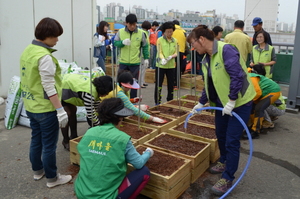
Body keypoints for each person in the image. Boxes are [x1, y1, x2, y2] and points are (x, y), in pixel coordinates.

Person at [188, 25, 256, 196]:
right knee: (221, 134)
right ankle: (224, 160)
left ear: (202, 40)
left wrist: (232, 100)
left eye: (193, 43)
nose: (192, 47)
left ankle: (228, 177)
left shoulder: (226, 51)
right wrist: (201, 102)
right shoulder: (206, 58)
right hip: (221, 103)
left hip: (239, 103)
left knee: (232, 140)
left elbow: (237, 76)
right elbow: (210, 83)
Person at [20, 17, 72, 188]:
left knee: (36, 140)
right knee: (49, 145)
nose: (57, 40)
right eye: (56, 36)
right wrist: (60, 110)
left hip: (31, 105)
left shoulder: (28, 50)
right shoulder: (44, 57)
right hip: (45, 108)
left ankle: (38, 171)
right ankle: (52, 178)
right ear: (48, 35)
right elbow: (48, 87)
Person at [75, 97, 154, 198]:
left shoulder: (90, 132)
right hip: (105, 196)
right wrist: (148, 153)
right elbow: (138, 163)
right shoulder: (122, 139)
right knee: (144, 172)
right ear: (120, 117)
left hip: (81, 192)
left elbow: (82, 151)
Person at [60, 74, 114, 150]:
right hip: (62, 88)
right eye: (107, 92)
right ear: (103, 89)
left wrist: (104, 120)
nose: (107, 94)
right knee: (67, 114)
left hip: (71, 85)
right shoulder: (89, 94)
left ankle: (74, 136)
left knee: (73, 111)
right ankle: (65, 140)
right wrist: (99, 125)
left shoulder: (95, 90)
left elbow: (97, 108)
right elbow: (91, 114)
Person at [102, 71, 167, 123]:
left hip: (108, 108)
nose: (130, 88)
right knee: (128, 111)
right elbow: (133, 110)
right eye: (129, 87)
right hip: (104, 112)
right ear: (124, 85)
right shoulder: (119, 93)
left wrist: (132, 100)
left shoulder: (118, 86)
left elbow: (122, 102)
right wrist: (153, 118)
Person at [114, 14, 149, 98]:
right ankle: (120, 100)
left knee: (134, 83)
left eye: (134, 24)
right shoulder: (120, 32)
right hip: (123, 62)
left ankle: (133, 101)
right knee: (120, 82)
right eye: (130, 24)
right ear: (126, 23)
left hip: (135, 63)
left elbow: (145, 46)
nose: (132, 26)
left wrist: (146, 58)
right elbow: (115, 43)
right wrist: (122, 42)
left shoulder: (141, 33)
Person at [243, 64, 281, 139]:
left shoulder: (251, 76)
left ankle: (256, 131)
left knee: (259, 108)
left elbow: (258, 92)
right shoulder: (247, 75)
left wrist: (249, 100)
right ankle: (253, 125)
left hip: (273, 92)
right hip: (265, 92)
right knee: (252, 107)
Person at [155, 21, 178, 105]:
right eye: (168, 31)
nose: (169, 33)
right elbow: (159, 51)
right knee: (158, 85)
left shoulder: (175, 40)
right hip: (161, 65)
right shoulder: (159, 40)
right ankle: (158, 101)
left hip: (171, 65)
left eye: (171, 31)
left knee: (171, 85)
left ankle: (170, 101)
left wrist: (171, 56)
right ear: (164, 31)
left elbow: (177, 52)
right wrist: (163, 59)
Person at [172, 20, 187, 89]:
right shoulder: (183, 31)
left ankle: (172, 84)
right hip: (181, 51)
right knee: (179, 68)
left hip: (172, 52)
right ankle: (177, 84)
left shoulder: (171, 30)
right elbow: (186, 42)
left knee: (172, 67)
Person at [140, 21, 151, 88]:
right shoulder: (144, 33)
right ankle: (141, 82)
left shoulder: (144, 33)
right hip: (143, 54)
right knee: (142, 69)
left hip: (144, 54)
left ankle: (142, 81)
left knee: (143, 69)